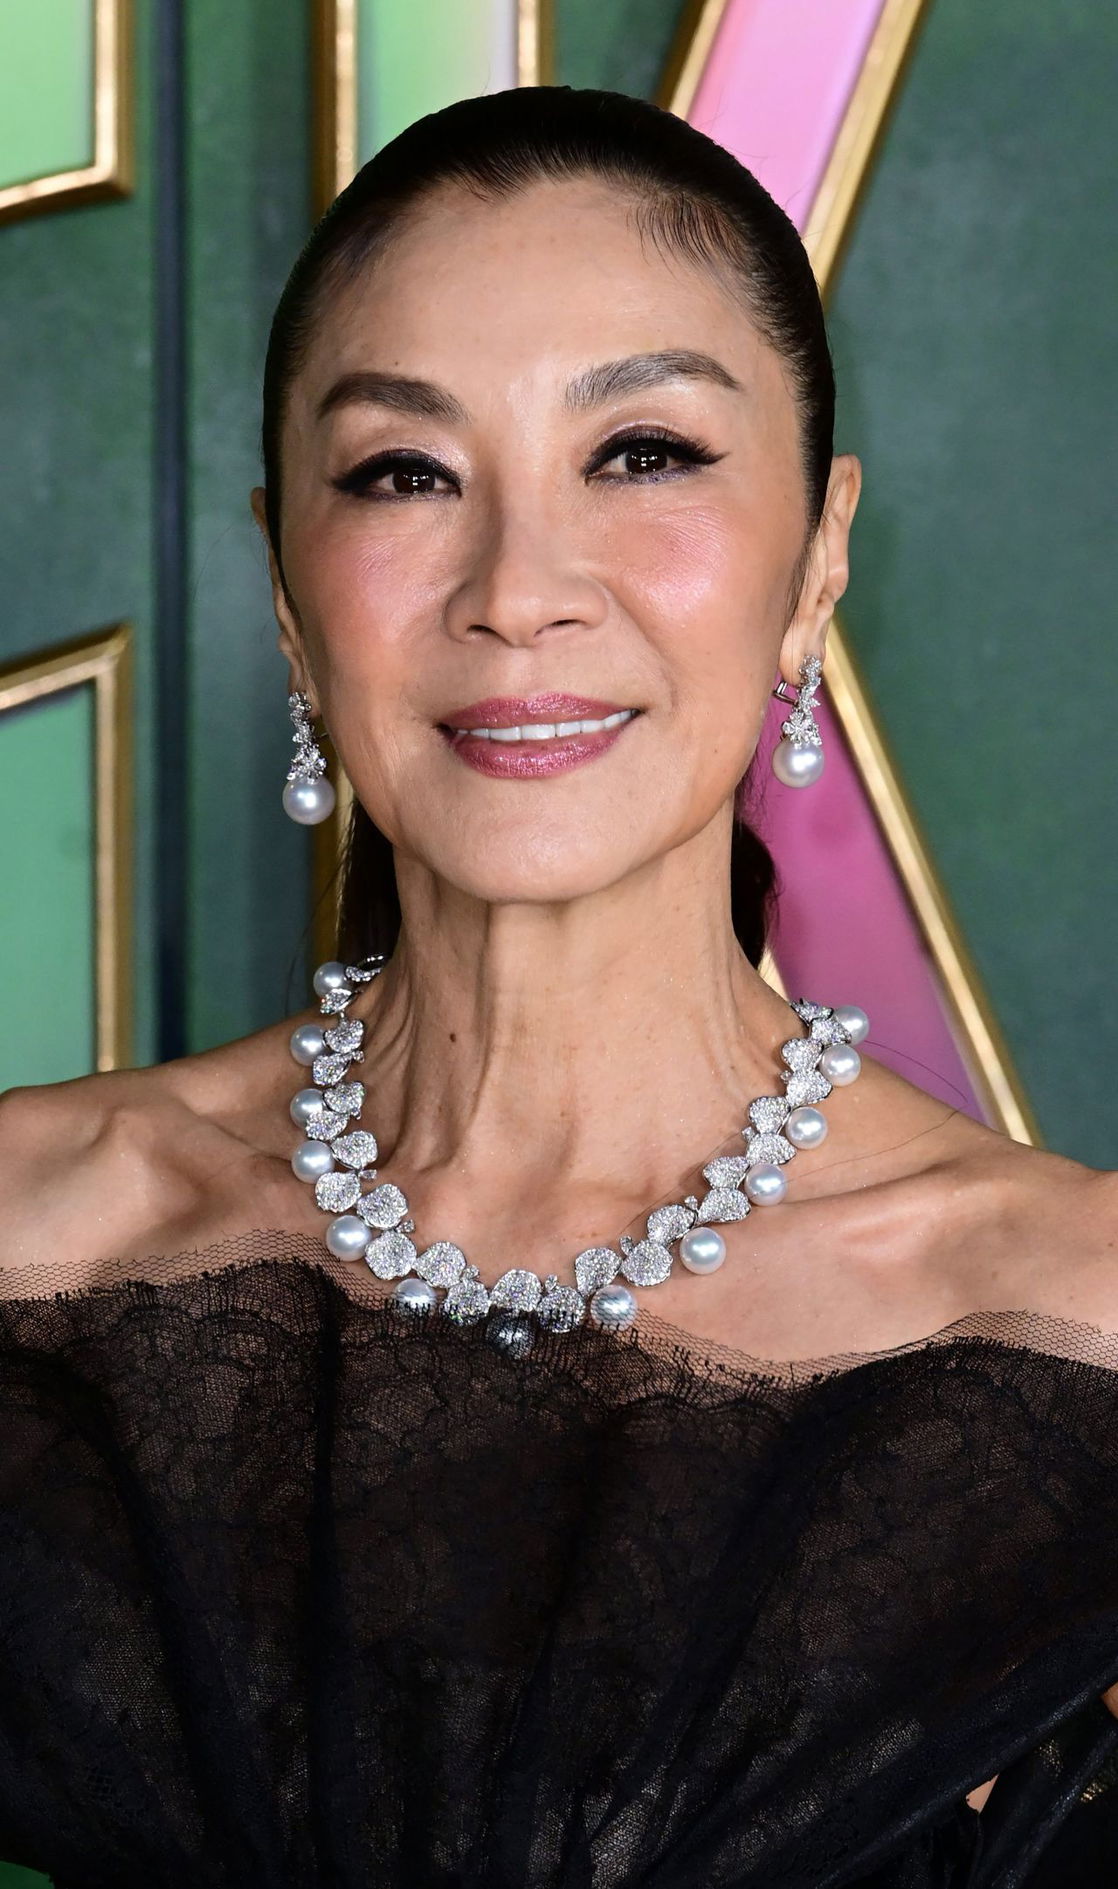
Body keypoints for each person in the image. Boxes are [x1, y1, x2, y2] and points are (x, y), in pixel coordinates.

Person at [1, 85, 1116, 1888]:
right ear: (287, 589)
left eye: (644, 452)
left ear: (818, 553)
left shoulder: (1078, 1334)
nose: (517, 590)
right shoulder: (32, 1249)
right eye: (403, 472)